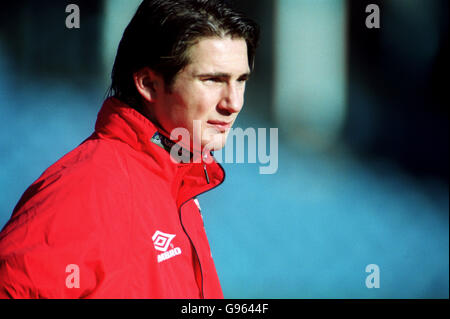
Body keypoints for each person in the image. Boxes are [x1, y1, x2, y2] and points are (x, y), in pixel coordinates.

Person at [0, 0, 259, 299]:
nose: (233, 103)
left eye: (241, 80)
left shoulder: (179, 181)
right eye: (213, 80)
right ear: (149, 84)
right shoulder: (87, 188)